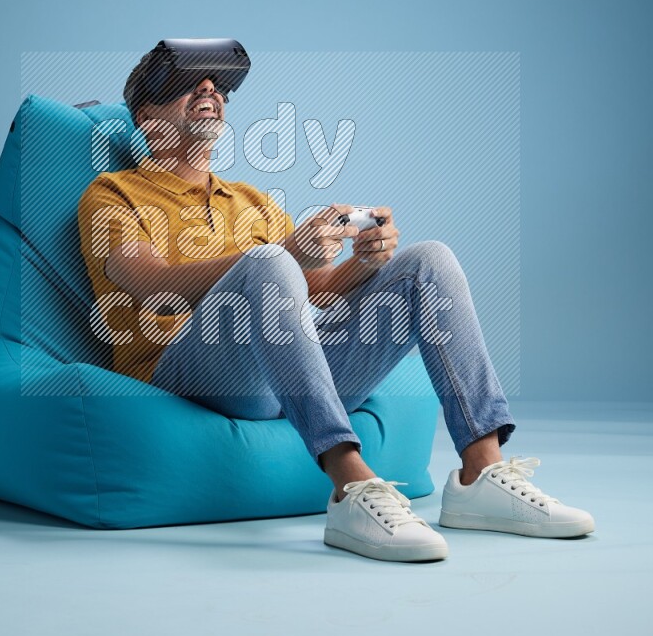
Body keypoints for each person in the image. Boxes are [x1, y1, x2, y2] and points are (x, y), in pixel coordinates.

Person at [78, 40, 595, 563]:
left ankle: (480, 471)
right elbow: (149, 281)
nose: (209, 89)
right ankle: (350, 486)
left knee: (427, 260)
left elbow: (317, 290)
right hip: (192, 373)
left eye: (217, 85)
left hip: (285, 373)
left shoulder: (251, 200)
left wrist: (367, 261)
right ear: (147, 117)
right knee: (268, 263)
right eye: (189, 83)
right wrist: (281, 251)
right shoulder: (113, 194)